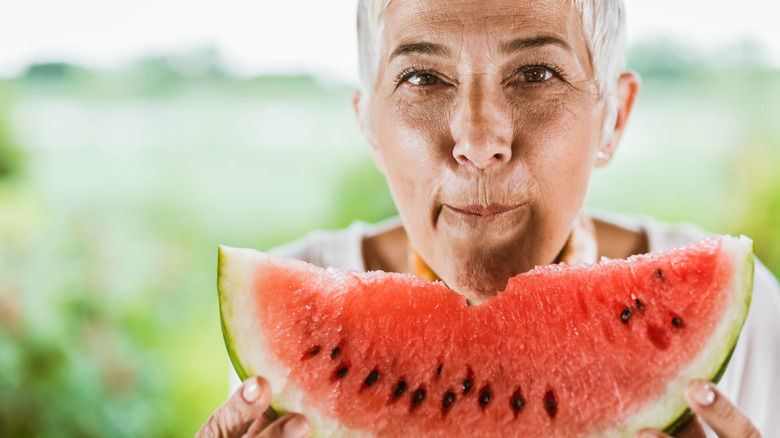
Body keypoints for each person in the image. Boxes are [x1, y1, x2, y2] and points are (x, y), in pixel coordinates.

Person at [196, 0, 780, 437]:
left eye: (536, 74)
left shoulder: (753, 320)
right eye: (423, 77)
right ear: (370, 125)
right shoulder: (299, 311)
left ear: (614, 119)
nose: (478, 141)